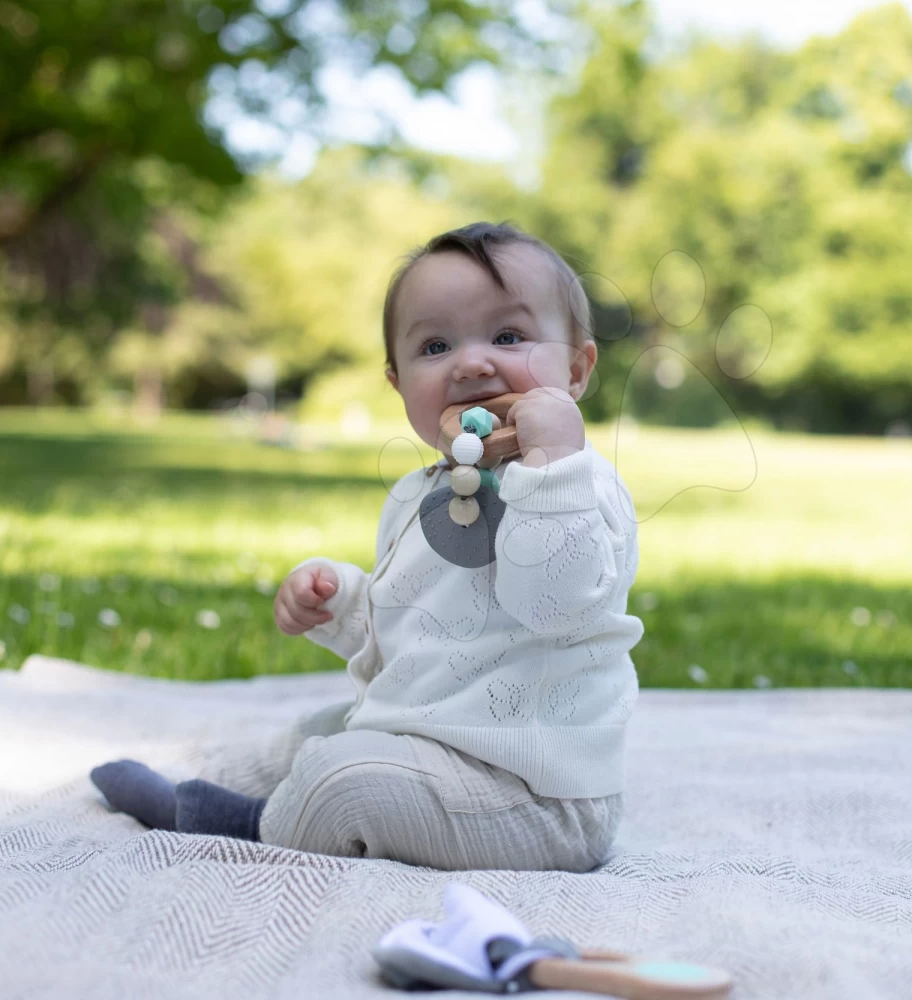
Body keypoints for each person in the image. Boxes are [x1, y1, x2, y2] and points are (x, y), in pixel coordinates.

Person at [90, 221, 644, 873]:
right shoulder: (422, 493)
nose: (471, 362)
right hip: (435, 741)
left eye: (508, 336)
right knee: (317, 731)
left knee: (345, 776)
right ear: (399, 382)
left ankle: (239, 822)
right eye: (436, 345)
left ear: (577, 370)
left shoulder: (580, 486)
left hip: (532, 795)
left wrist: (551, 461)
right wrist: (342, 601)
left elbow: (555, 603)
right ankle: (218, 780)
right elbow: (422, 627)